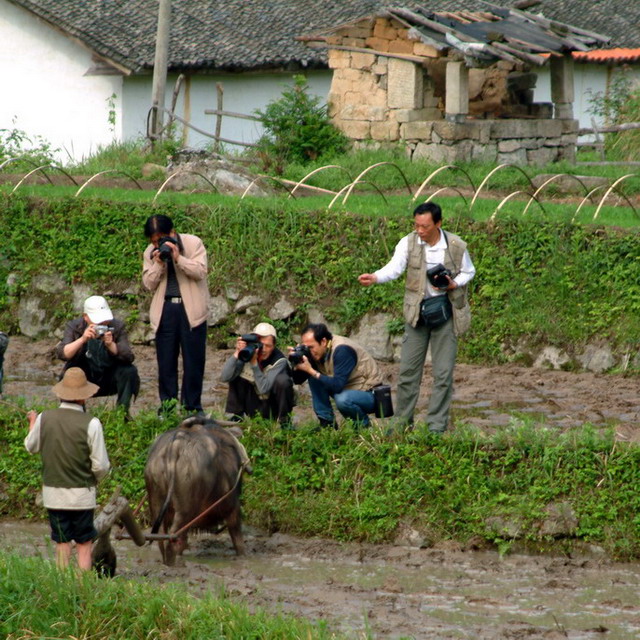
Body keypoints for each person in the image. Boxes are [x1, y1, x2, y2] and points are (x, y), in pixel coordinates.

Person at [358, 202, 475, 433]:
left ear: (438, 224)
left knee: (443, 375)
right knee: (408, 373)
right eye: (417, 225)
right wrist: (375, 277)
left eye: (425, 226)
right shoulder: (408, 242)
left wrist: (453, 283)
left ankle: (436, 427)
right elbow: (394, 267)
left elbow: (469, 272)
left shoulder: (455, 245)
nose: (420, 231)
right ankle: (402, 423)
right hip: (417, 315)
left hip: (445, 314)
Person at [24, 367, 110, 571]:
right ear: (84, 397)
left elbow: (31, 446)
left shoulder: (45, 418)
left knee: (62, 544)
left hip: (53, 495)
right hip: (82, 497)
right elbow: (101, 465)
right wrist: (92, 480)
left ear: (61, 393)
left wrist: (33, 423)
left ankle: (62, 589)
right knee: (84, 544)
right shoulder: (92, 423)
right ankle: (82, 591)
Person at [142, 214, 209, 416]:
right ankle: (168, 407)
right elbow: (148, 284)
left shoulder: (193, 243)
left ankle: (192, 407)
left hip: (192, 311)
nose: (158, 243)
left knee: (193, 361)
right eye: (154, 241)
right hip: (166, 310)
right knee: (166, 362)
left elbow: (200, 272)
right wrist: (158, 263)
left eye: (161, 238)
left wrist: (178, 258)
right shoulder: (150, 252)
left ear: (172, 232)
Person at [56, 295, 140, 414]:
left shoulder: (117, 326)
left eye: (105, 319)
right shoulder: (74, 327)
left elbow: (128, 356)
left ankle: (122, 414)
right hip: (85, 376)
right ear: (86, 317)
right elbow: (63, 354)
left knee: (129, 371)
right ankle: (77, 415)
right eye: (98, 320)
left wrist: (111, 345)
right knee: (69, 374)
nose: (103, 322)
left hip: (109, 376)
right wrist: (82, 339)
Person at [291, 322, 383, 428]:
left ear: (323, 341)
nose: (309, 351)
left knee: (342, 399)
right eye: (306, 348)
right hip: (347, 389)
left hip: (369, 394)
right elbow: (297, 380)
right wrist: (296, 361)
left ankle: (364, 428)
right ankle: (327, 424)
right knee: (313, 377)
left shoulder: (342, 350)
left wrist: (310, 370)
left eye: (311, 347)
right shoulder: (317, 351)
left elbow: (337, 386)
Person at [220, 322, 295, 428]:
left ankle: (284, 421)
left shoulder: (280, 361)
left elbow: (264, 389)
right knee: (235, 373)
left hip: (270, 405)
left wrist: (254, 364)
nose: (263, 349)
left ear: (274, 346)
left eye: (268, 346)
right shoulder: (247, 353)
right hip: (253, 402)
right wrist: (237, 353)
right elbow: (225, 377)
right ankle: (237, 417)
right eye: (260, 344)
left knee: (283, 381)